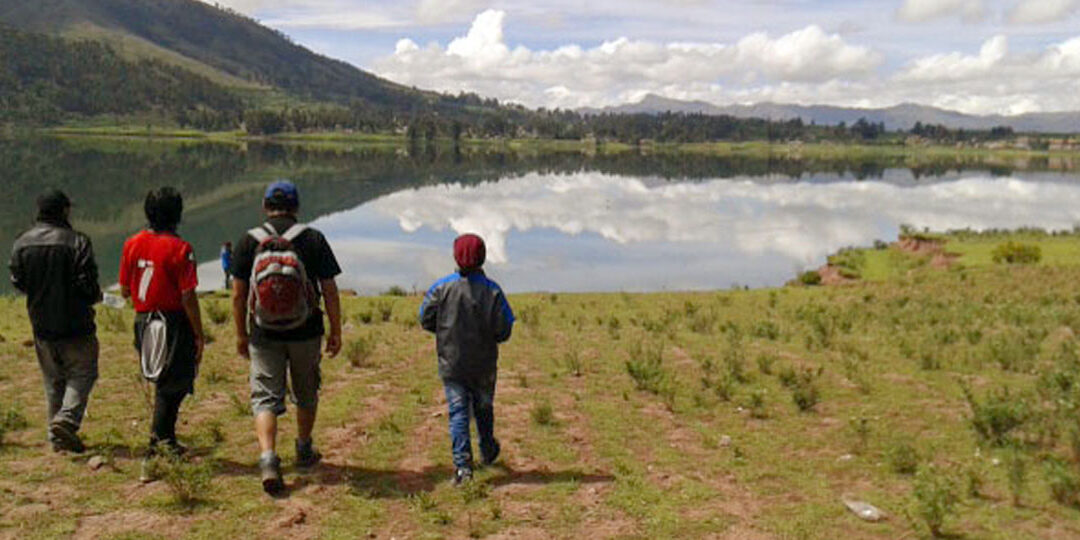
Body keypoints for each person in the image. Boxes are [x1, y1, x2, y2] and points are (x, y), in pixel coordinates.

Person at [231, 180, 342, 495]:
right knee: (306, 392)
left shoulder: (248, 241)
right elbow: (330, 290)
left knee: (265, 396)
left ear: (265, 206)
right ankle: (304, 449)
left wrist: (240, 333)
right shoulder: (313, 239)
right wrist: (336, 330)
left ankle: (268, 458)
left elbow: (239, 296)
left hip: (263, 333)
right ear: (296, 207)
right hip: (306, 332)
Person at [118, 187, 204, 480]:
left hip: (144, 321)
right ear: (177, 214)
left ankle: (167, 441)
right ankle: (155, 451)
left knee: (163, 383)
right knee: (173, 384)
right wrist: (198, 333)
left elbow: (126, 289)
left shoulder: (132, 243)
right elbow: (188, 296)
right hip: (172, 322)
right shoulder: (181, 248)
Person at [10, 189, 102, 453]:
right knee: (83, 372)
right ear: (64, 211)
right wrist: (95, 296)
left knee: (53, 381)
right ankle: (67, 419)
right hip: (77, 325)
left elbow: (19, 282)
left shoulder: (21, 243)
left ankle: (56, 439)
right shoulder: (78, 242)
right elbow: (88, 286)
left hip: (41, 325)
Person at [419, 233, 515, 485]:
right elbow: (504, 328)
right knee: (484, 407)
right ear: (482, 256)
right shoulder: (493, 291)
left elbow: (425, 318)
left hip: (452, 364)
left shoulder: (441, 288)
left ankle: (463, 468)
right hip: (484, 364)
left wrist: (443, 332)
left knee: (458, 413)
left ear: (455, 256)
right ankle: (487, 447)